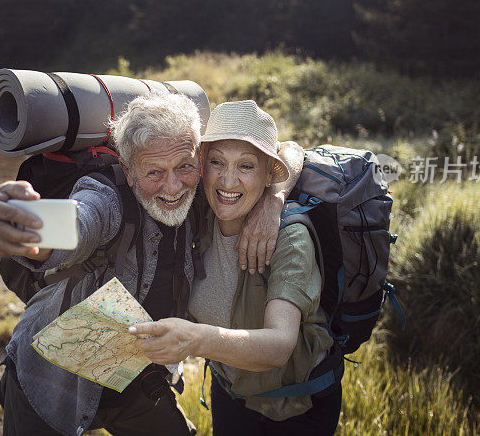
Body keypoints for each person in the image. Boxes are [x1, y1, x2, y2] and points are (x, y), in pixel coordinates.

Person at [0, 92, 303, 436]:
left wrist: (274, 200)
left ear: (200, 160)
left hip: (131, 374)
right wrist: (11, 220)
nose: (173, 186)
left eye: (185, 167)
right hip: (51, 376)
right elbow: (79, 220)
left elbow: (292, 152)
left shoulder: (206, 193)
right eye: (154, 172)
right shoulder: (107, 198)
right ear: (129, 172)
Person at [128, 100, 341, 436]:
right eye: (216, 162)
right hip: (230, 393)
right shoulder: (197, 211)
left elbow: (279, 346)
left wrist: (275, 199)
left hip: (298, 408)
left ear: (269, 172)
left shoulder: (290, 238)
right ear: (201, 164)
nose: (228, 180)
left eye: (246, 166)